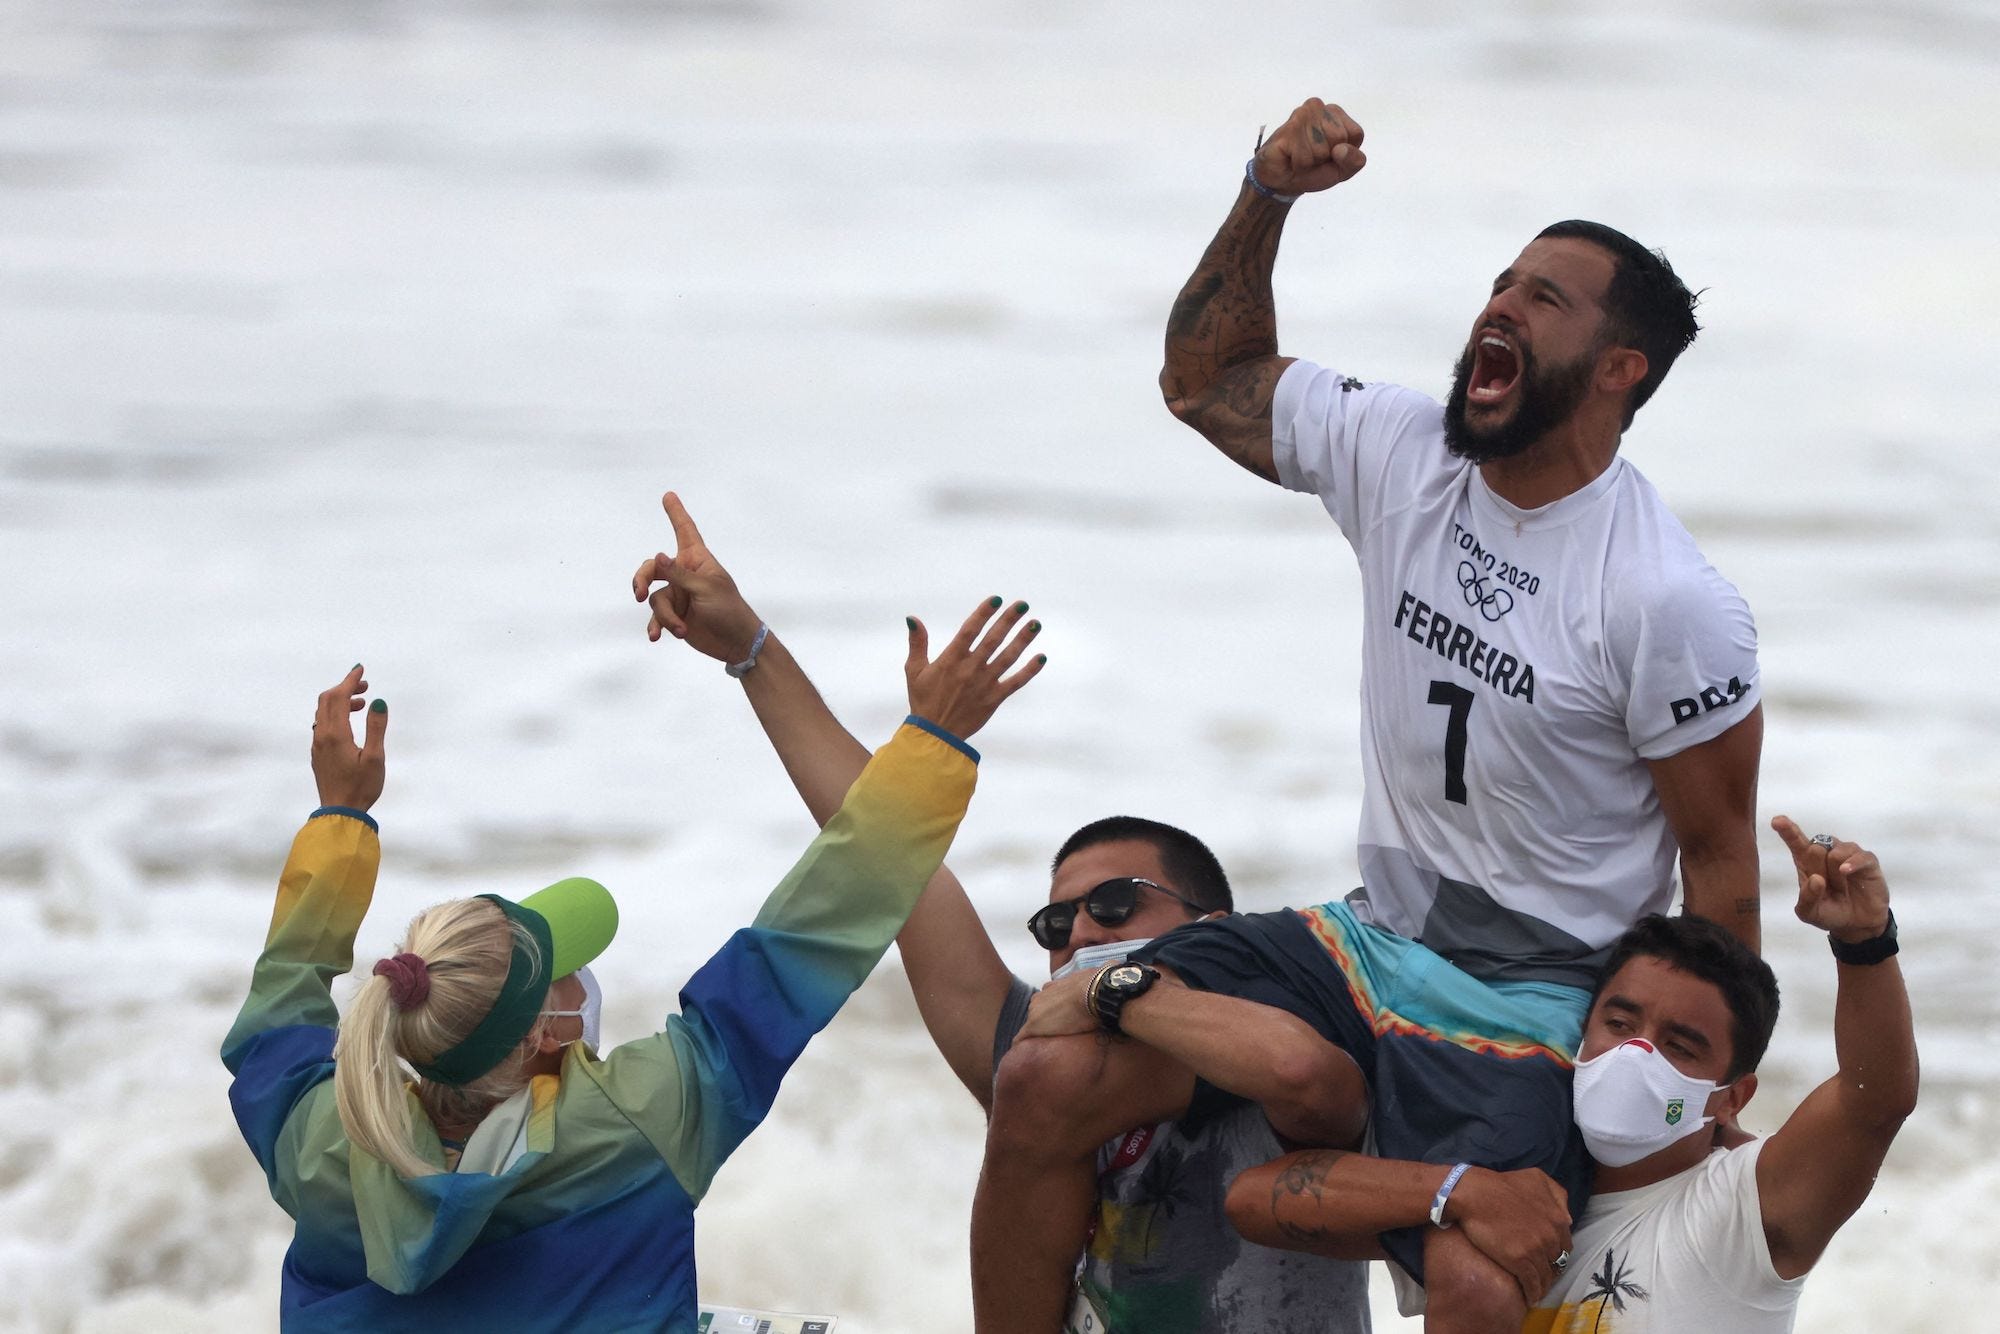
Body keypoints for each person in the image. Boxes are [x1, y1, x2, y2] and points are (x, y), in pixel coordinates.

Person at [970, 96, 1767, 1332]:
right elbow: (1206, 379)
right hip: (1363, 939)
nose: (1497, 306)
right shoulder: (1405, 451)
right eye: (1499, 283)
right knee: (1042, 1074)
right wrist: (1266, 192)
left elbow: (1717, 862)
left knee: (1473, 1272)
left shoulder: (1666, 598)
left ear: (1620, 370)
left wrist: (1696, 1103)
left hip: (1539, 996)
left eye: (1544, 299)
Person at [220, 508, 1041, 1332]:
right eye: (557, 968)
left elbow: (275, 1013)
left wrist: (339, 818)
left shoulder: (321, 1141)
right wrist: (931, 743)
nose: (581, 974)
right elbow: (807, 935)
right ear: (544, 1034)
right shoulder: (636, 1121)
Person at [632, 493, 1372, 1333]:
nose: (1082, 935)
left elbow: (1320, 1084)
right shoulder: (1033, 1061)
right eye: (1056, 927)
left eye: (1116, 904)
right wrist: (752, 651)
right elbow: (885, 866)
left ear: (1216, 927)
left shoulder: (1277, 1039)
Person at [1229, 816, 1918, 1332]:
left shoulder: (1742, 1207)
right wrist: (1456, 1189)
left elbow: (1874, 1101)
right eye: (1620, 1024)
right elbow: (1256, 1200)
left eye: (1680, 1045)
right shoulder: (1508, 1172)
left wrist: (1863, 942)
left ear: (1729, 1096)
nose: (1636, 1054)